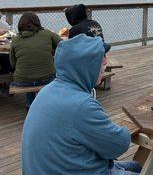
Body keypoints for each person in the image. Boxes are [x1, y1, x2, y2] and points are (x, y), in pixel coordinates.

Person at [21, 33, 141, 175]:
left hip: (54, 167)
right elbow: (118, 145)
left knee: (136, 166)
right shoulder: (81, 105)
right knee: (140, 169)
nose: (105, 62)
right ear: (85, 66)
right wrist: (124, 131)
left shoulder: (47, 90)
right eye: (100, 58)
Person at [9, 12, 61, 108]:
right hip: (47, 78)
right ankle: (44, 103)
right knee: (38, 74)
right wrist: (51, 50)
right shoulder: (47, 34)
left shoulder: (15, 40)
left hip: (22, 81)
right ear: (37, 22)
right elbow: (62, 44)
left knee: (27, 75)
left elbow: (13, 64)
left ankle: (30, 104)